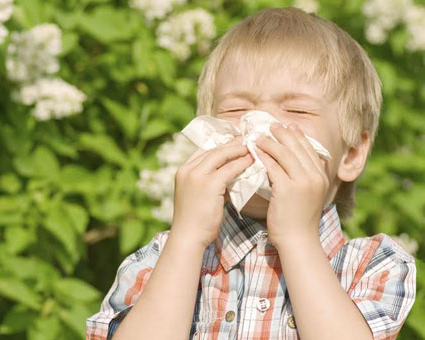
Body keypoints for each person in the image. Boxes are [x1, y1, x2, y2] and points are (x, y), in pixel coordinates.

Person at [86, 6, 417, 340]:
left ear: (352, 154)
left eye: (296, 109)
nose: (258, 125)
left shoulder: (373, 265)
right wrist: (186, 238)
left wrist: (297, 237)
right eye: (236, 109)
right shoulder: (162, 258)